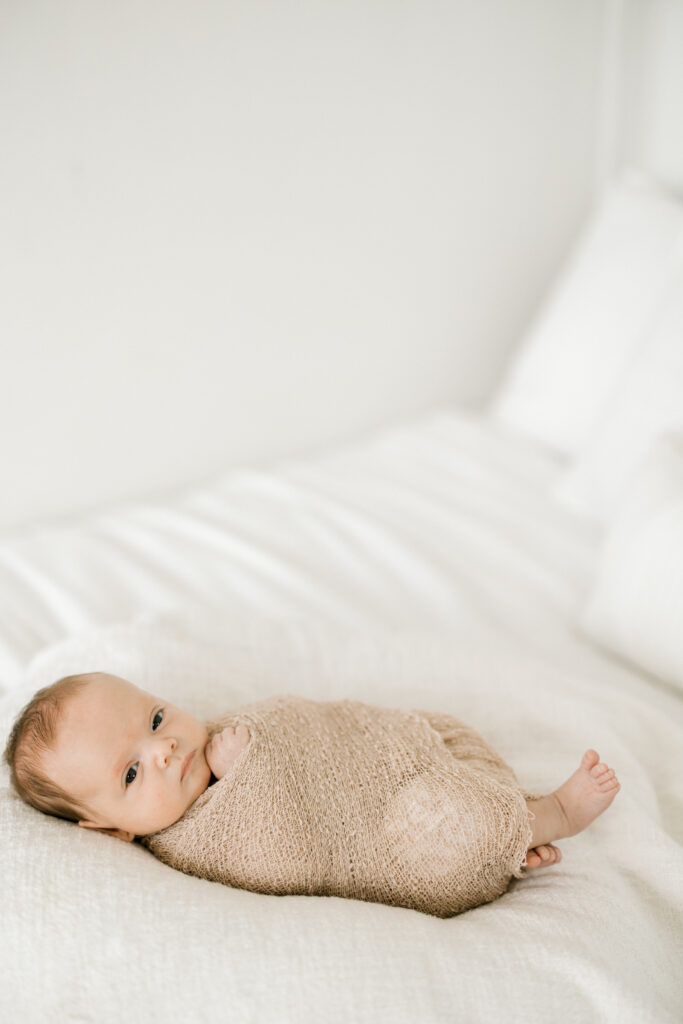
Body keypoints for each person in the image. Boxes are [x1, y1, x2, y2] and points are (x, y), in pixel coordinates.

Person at [3, 671, 621, 915]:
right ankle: (550, 814)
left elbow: (311, 725)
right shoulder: (190, 844)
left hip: (397, 766)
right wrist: (250, 773)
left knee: (438, 733)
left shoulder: (211, 736)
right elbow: (286, 860)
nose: (161, 749)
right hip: (397, 847)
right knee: (445, 822)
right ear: (114, 830)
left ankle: (504, 822)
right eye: (131, 774)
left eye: (156, 719)